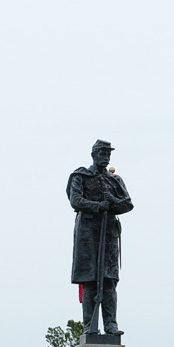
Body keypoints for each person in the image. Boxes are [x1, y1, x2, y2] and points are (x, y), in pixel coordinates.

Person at [67, 139, 133, 335]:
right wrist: (98, 206)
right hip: (88, 234)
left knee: (109, 279)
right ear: (94, 154)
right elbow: (75, 200)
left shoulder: (115, 180)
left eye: (108, 154)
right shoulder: (80, 176)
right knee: (90, 280)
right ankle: (89, 324)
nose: (105, 157)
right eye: (102, 153)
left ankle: (111, 323)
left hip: (109, 234)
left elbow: (128, 204)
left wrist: (111, 202)